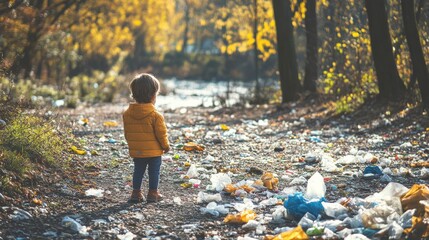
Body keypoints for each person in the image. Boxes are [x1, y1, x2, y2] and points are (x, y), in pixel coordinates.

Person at [123, 73, 170, 203]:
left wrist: (133, 146)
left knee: (138, 171)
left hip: (138, 151)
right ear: (153, 95)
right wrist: (166, 146)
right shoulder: (156, 115)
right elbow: (161, 134)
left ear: (134, 94)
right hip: (154, 152)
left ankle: (136, 193)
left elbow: (127, 133)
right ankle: (153, 193)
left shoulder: (127, 114)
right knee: (154, 172)